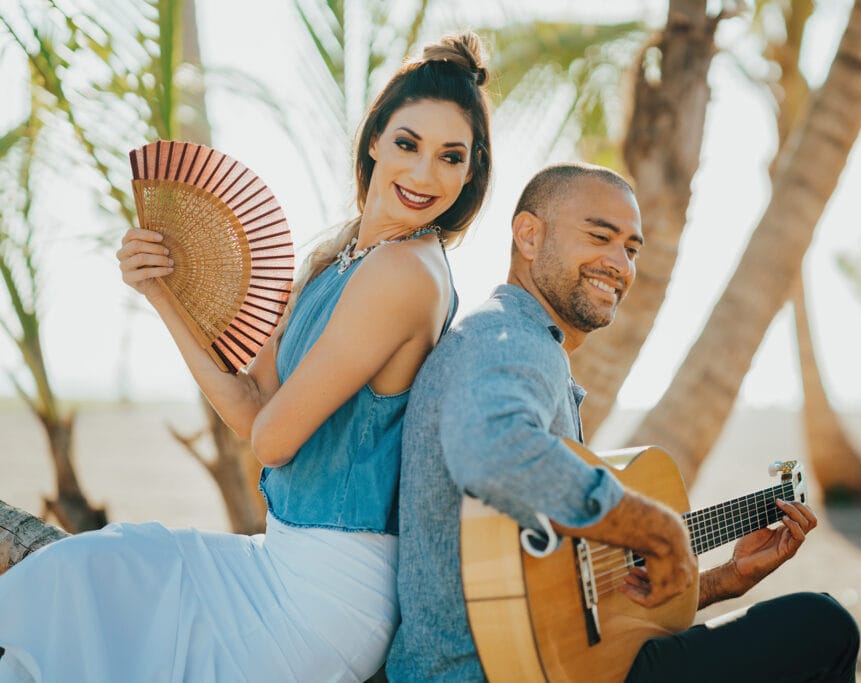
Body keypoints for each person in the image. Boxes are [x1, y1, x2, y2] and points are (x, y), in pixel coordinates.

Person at [0, 32, 492, 683]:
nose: (426, 174)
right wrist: (161, 295)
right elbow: (246, 408)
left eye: (451, 156)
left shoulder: (407, 273)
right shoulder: (336, 256)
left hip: (327, 596)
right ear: (374, 139)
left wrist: (263, 411)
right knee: (91, 566)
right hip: (272, 560)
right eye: (409, 144)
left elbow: (272, 441)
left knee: (92, 592)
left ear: (469, 170)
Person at [386, 162, 860, 682]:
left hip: (532, 664)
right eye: (599, 236)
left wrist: (723, 580)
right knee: (822, 626)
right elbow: (493, 450)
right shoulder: (506, 339)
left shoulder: (522, 345)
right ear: (528, 234)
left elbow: (579, 610)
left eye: (631, 249)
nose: (619, 263)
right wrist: (654, 528)